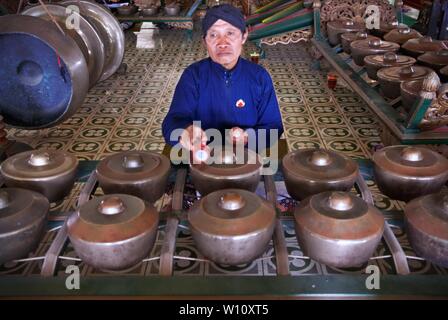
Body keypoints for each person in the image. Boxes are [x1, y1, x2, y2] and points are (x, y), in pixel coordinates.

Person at [162, 4, 284, 153]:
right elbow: (172, 121)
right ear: (204, 41)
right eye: (213, 35)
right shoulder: (193, 76)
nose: (222, 43)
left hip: (247, 160)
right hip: (202, 158)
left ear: (244, 36)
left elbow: (273, 126)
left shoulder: (259, 77)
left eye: (230, 33)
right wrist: (186, 132)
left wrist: (247, 137)